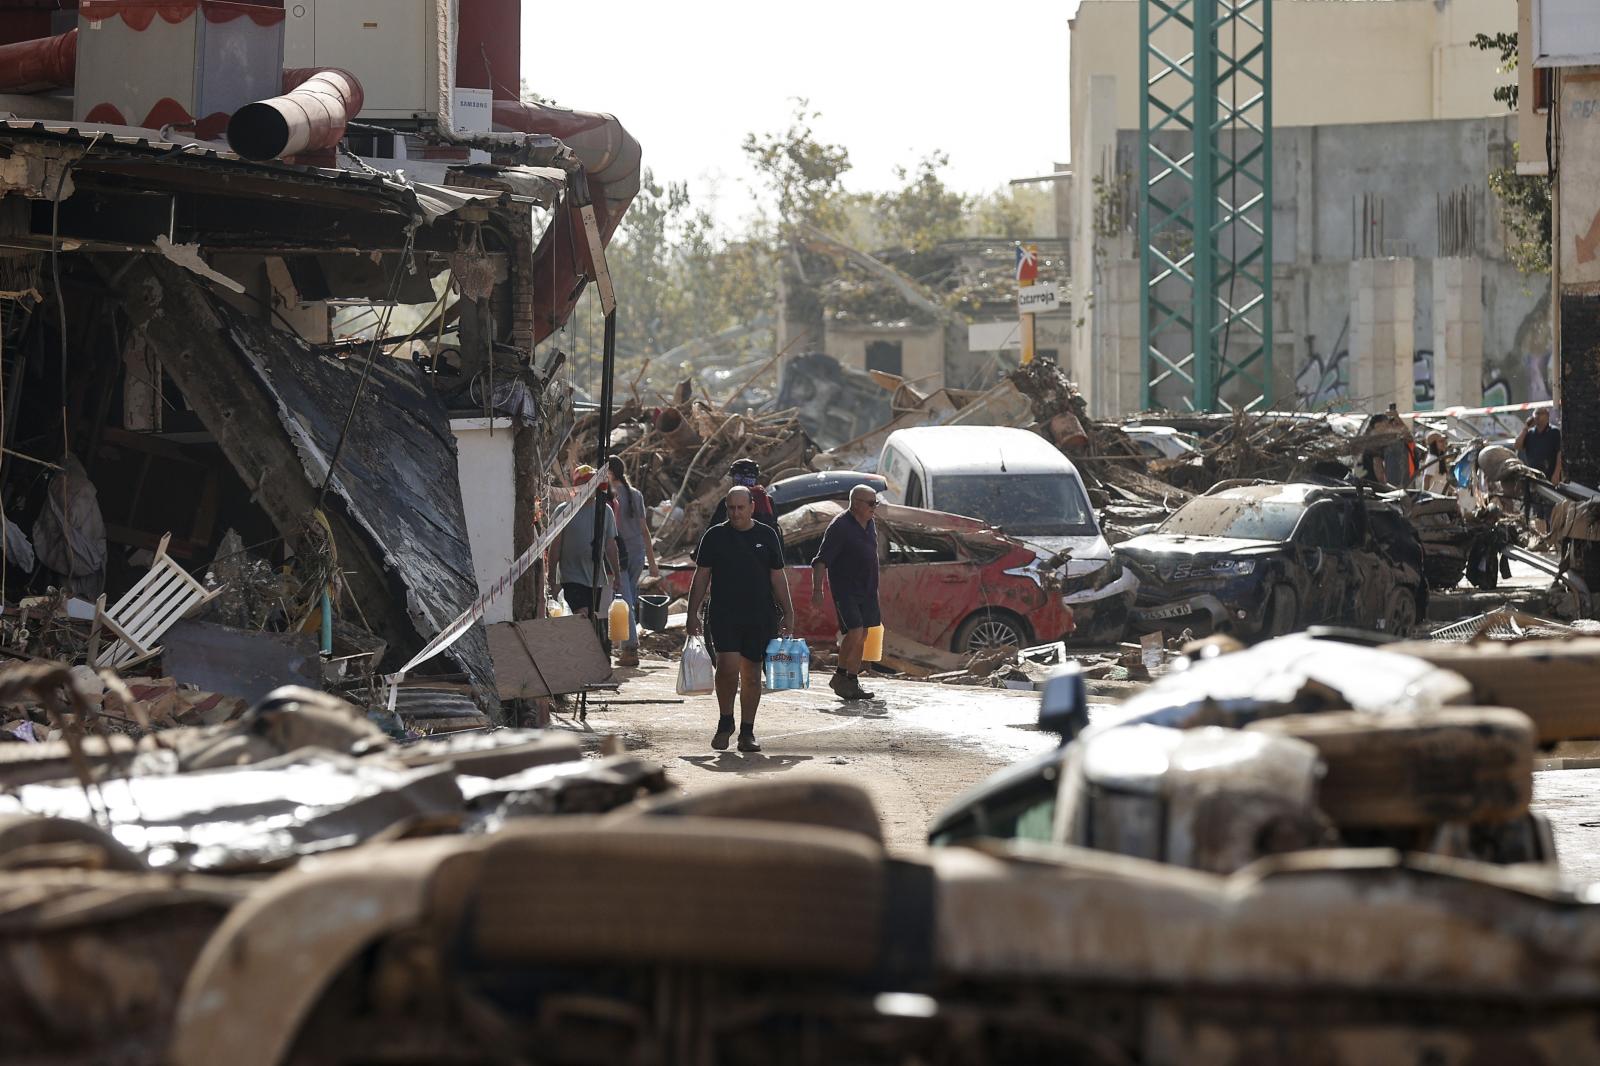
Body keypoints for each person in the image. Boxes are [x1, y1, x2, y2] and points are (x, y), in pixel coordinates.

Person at [686, 486, 795, 753]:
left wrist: (789, 612)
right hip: (724, 613)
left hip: (760, 614)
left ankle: (747, 732)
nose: (736, 513)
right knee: (726, 667)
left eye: (740, 508)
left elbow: (778, 577)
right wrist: (692, 612)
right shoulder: (715, 536)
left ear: (751, 508)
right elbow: (701, 576)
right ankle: (726, 722)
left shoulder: (767, 536)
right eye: (731, 508)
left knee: (752, 675)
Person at [811, 484, 881, 702]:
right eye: (871, 503)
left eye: (875, 503)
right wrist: (817, 590)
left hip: (868, 589)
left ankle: (851, 679)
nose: (874, 507)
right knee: (855, 631)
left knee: (864, 635)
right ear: (856, 503)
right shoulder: (840, 526)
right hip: (846, 589)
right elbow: (821, 561)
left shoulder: (870, 523)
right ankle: (840, 676)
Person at [547, 465, 620, 633]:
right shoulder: (564, 510)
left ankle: (584, 652)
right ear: (578, 486)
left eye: (594, 483)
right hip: (570, 575)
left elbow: (610, 545)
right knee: (581, 614)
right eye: (587, 483)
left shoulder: (605, 511)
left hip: (595, 577)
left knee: (589, 619)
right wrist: (551, 575)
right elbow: (555, 545)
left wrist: (617, 574)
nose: (591, 487)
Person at [607, 455, 658, 668]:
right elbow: (644, 530)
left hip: (621, 553)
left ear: (609, 473)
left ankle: (630, 648)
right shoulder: (634, 494)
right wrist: (652, 562)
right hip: (637, 551)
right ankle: (625, 645)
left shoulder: (610, 495)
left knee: (623, 598)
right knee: (629, 597)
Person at [1517, 407, 1563, 483]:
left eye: (1540, 414)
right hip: (1533, 475)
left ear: (1547, 416)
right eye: (1536, 413)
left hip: (1550, 475)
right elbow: (1517, 446)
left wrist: (1557, 473)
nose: (1537, 416)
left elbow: (1560, 453)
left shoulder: (1554, 432)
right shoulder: (1530, 433)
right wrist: (1526, 428)